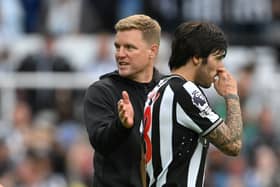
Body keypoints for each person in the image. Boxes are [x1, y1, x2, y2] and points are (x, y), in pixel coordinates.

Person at [141, 22, 243, 186]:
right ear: (196, 57)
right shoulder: (185, 91)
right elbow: (233, 144)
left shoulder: (155, 92)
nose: (220, 67)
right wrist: (232, 95)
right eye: (217, 58)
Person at [83, 14, 162, 187]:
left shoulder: (168, 90)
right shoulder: (101, 91)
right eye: (117, 47)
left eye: (129, 47)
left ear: (152, 51)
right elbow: (100, 142)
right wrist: (122, 125)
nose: (120, 54)